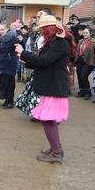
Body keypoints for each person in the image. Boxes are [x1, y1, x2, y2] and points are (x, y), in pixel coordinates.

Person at [14, 15, 77, 164]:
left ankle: (56, 153)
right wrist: (26, 60)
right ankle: (55, 148)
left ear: (49, 29)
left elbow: (44, 61)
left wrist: (24, 53)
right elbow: (43, 63)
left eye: (42, 29)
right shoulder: (54, 42)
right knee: (48, 120)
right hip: (51, 85)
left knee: (48, 120)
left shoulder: (59, 43)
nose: (41, 32)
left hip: (53, 86)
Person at [75, 27, 95, 100]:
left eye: (86, 33)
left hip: (89, 61)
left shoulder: (94, 42)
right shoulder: (80, 41)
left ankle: (88, 92)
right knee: (79, 76)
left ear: (90, 33)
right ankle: (82, 91)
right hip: (80, 60)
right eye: (84, 32)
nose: (84, 34)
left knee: (83, 76)